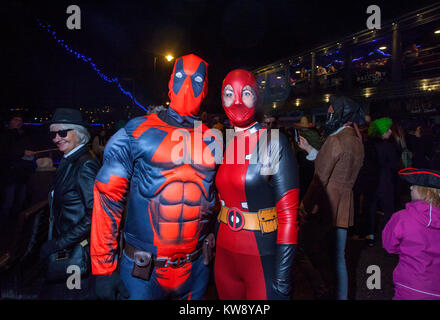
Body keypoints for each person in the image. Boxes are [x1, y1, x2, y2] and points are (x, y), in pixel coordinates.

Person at [90, 54, 219, 300]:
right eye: (181, 77)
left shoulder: (215, 140)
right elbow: (107, 197)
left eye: (198, 79)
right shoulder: (135, 131)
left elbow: (225, 198)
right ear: (170, 83)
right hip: (142, 271)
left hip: (196, 268)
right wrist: (103, 268)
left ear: (206, 89)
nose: (188, 86)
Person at [214, 69, 299, 300]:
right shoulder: (225, 142)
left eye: (247, 92)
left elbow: (289, 215)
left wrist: (282, 276)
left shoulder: (273, 142)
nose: (237, 101)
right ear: (222, 99)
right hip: (223, 257)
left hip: (260, 256)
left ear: (257, 98)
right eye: (229, 93)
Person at [297, 95, 365, 300]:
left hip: (327, 206)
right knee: (339, 258)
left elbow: (320, 178)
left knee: (301, 247)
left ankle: (321, 287)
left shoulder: (335, 140)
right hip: (345, 205)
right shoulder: (356, 141)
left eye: (331, 112)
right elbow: (337, 166)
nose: (328, 115)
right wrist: (310, 149)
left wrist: (305, 206)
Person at [38, 108, 100, 299]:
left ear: (79, 133)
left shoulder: (85, 164)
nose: (57, 138)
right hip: (64, 250)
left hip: (75, 253)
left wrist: (58, 243)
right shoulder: (68, 160)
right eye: (54, 133)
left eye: (63, 132)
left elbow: (95, 215)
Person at [382, 168, 440, 300]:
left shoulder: (403, 217)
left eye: (415, 185)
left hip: (410, 289)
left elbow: (389, 245)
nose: (411, 187)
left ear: (427, 193)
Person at [366, 117, 400, 244]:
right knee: (388, 210)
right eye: (388, 129)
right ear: (382, 131)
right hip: (385, 181)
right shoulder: (388, 146)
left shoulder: (368, 145)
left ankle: (370, 236)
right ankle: (388, 238)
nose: (390, 132)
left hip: (371, 182)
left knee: (371, 209)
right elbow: (394, 165)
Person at [0, 114, 36, 231]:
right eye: (15, 119)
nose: (19, 122)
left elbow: (30, 150)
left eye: (21, 120)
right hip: (9, 175)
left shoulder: (24, 135)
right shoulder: (4, 135)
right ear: (9, 122)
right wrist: (22, 153)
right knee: (7, 202)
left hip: (23, 175)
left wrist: (30, 155)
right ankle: (4, 228)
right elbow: (6, 153)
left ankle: (16, 228)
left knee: (19, 203)